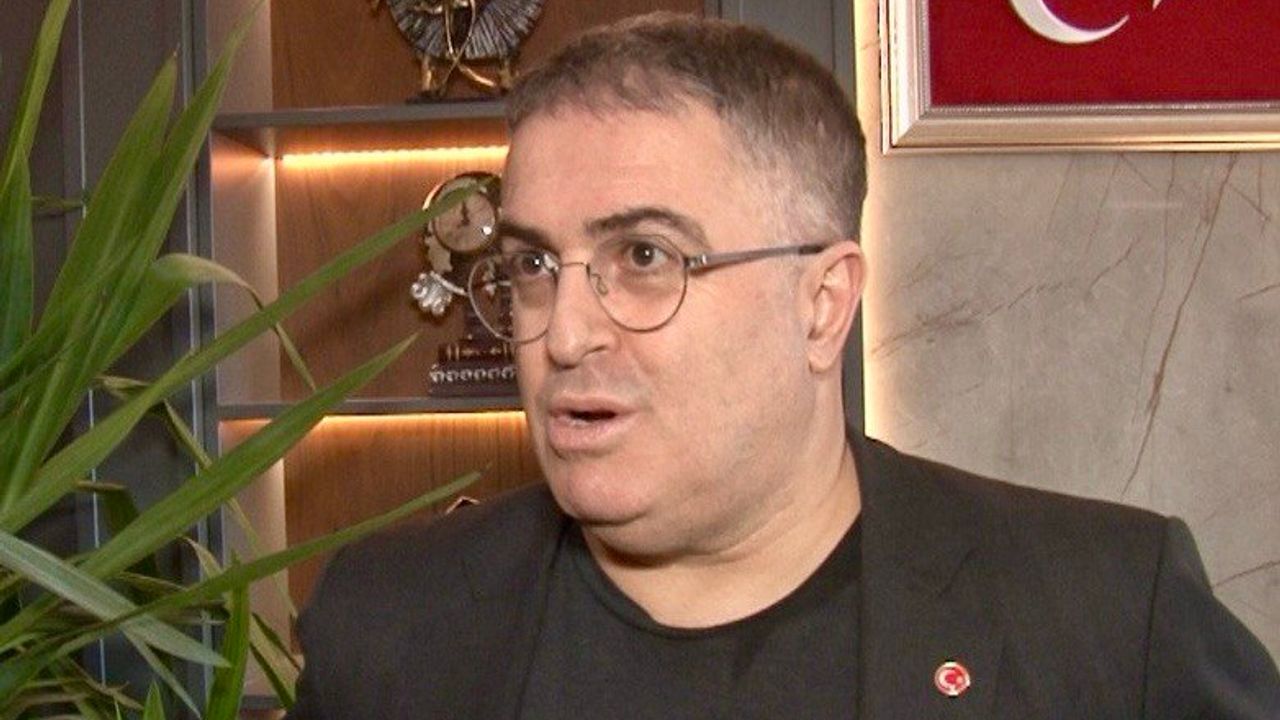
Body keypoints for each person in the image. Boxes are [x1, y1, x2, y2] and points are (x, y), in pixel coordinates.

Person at [287, 12, 1280, 719]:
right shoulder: (389, 629)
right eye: (535, 265)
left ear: (822, 304)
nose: (565, 333)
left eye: (645, 257)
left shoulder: (1107, 620)